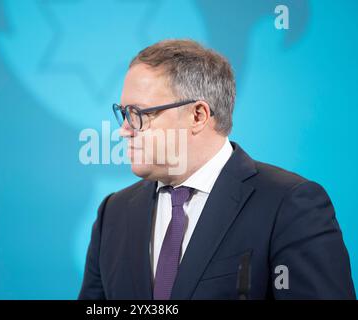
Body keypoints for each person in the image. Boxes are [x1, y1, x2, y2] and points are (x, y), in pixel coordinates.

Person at [78, 39, 355, 299]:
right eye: (123, 113)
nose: (125, 130)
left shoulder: (289, 205)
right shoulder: (113, 213)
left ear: (197, 115)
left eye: (138, 114)